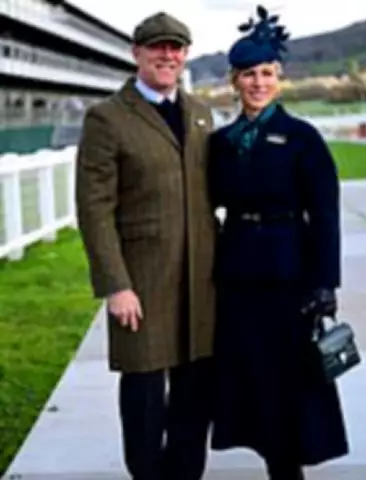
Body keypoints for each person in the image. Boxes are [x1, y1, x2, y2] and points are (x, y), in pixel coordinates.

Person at [207, 5, 349, 479]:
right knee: (251, 381)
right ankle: (273, 462)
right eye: (249, 74)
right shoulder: (221, 143)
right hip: (238, 275)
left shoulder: (302, 138)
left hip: (291, 274)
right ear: (234, 80)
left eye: (266, 73)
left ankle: (288, 471)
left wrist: (325, 282)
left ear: (279, 78)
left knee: (289, 383)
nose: (258, 83)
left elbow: (326, 215)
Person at [74, 12, 217, 480]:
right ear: (136, 53)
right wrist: (116, 285)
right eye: (157, 46)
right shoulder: (107, 119)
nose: (167, 55)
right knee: (145, 400)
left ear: (185, 55)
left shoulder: (200, 113)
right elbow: (94, 210)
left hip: (200, 281)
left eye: (176, 47)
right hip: (143, 285)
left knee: (194, 401)